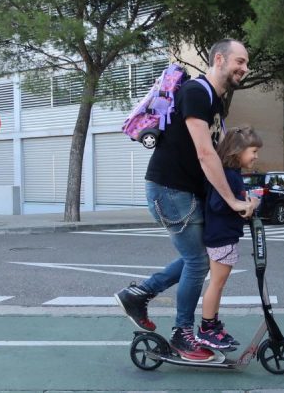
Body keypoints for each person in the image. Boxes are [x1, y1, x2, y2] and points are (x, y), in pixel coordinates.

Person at [115, 39, 257, 362]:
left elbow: (220, 157)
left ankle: (138, 295)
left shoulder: (216, 103)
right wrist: (233, 204)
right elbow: (206, 155)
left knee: (200, 255)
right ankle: (183, 334)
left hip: (181, 191)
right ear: (219, 59)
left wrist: (239, 193)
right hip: (169, 190)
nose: (245, 69)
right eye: (240, 61)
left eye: (247, 64)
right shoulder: (196, 92)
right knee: (197, 261)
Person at [195, 126, 262, 350]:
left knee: (219, 284)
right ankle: (206, 329)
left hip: (223, 235)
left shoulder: (230, 174)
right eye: (253, 151)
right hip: (222, 236)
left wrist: (246, 202)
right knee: (217, 283)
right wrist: (247, 206)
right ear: (237, 151)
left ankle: (212, 326)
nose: (256, 156)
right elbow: (218, 204)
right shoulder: (229, 176)